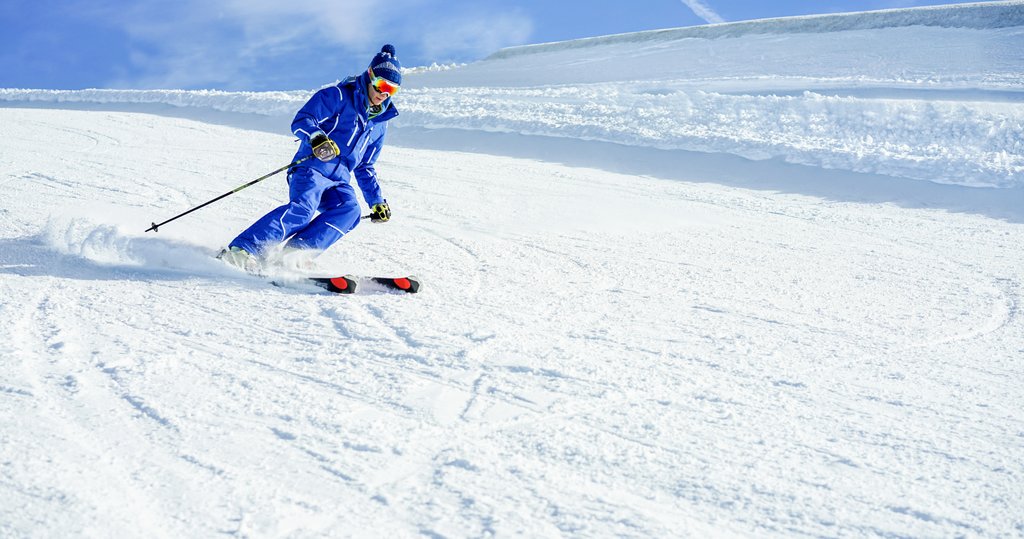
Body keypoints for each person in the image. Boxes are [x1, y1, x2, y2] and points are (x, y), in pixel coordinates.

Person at [219, 44, 403, 272]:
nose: (384, 94)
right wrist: (317, 138)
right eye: (382, 85)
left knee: (349, 211)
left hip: (339, 180)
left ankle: (295, 254)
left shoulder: (379, 124)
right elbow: (303, 120)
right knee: (303, 210)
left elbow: (365, 166)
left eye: (391, 90)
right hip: (312, 168)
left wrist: (376, 201)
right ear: (369, 75)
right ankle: (243, 249)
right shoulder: (338, 95)